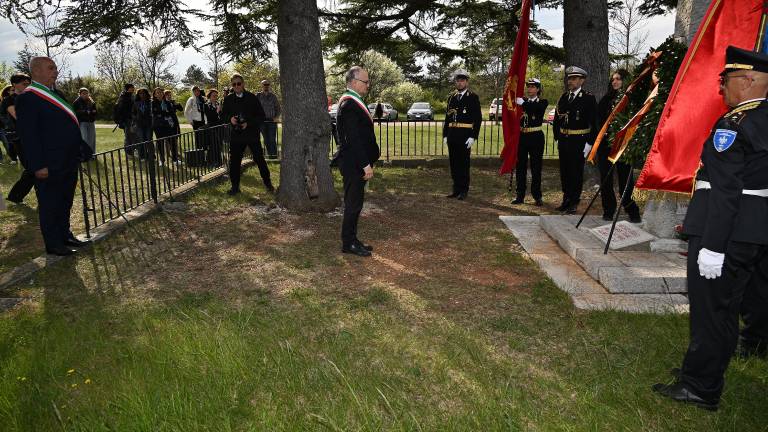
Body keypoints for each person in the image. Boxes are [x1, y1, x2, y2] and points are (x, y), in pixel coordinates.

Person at [652, 46, 768, 411]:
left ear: (747, 81)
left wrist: (714, 246)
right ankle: (706, 368)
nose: (721, 89)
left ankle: (700, 387)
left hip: (726, 232)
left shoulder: (735, 124)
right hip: (753, 230)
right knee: (730, 305)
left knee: (712, 311)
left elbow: (725, 190)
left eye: (726, 80)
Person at [15, 57, 91, 256]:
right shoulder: (27, 98)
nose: (56, 71)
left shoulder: (56, 94)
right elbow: (29, 136)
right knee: (50, 203)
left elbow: (68, 126)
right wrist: (38, 165)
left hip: (67, 160)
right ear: (36, 71)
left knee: (65, 200)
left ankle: (65, 235)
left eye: (56, 67)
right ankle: (53, 243)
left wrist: (81, 147)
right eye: (51, 68)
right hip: (49, 163)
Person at [335, 66, 380, 257]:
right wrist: (365, 164)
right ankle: (348, 243)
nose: (368, 85)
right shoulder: (349, 105)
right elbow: (353, 139)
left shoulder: (354, 103)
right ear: (353, 82)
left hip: (355, 162)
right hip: (355, 164)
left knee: (356, 203)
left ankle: (352, 239)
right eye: (365, 81)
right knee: (353, 204)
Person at [596, 70, 641, 222]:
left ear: (625, 81)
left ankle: (631, 209)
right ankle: (608, 210)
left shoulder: (632, 100)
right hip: (606, 147)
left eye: (618, 79)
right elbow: (598, 123)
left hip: (623, 147)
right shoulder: (605, 100)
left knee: (625, 181)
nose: (614, 82)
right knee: (605, 181)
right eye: (613, 79)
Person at [553, 66, 598, 214]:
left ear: (581, 80)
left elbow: (595, 123)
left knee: (576, 173)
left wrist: (589, 143)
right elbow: (557, 120)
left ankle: (574, 201)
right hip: (564, 140)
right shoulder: (564, 97)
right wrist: (557, 137)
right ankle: (566, 199)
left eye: (573, 79)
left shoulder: (588, 99)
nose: (570, 81)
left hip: (579, 141)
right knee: (564, 172)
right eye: (569, 78)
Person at [220, 73, 274, 195]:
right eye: (234, 84)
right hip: (236, 136)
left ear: (243, 84)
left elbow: (261, 116)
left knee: (259, 159)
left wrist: (248, 123)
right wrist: (230, 119)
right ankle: (235, 187)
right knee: (234, 162)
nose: (237, 86)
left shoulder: (252, 98)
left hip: (252, 135)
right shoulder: (228, 99)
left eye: (239, 83)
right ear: (232, 86)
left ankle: (268, 184)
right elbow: (223, 116)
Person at [442, 69, 482, 200]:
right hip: (452, 135)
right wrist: (445, 135)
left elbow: (478, 119)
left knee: (463, 164)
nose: (459, 83)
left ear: (467, 82)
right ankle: (456, 189)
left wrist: (473, 136)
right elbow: (447, 118)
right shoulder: (451, 98)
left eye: (462, 81)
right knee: (454, 164)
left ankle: (464, 190)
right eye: (457, 81)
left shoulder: (473, 97)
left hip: (465, 136)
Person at [511, 78, 548, 206]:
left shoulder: (542, 102)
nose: (530, 89)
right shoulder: (522, 102)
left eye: (533, 87)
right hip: (522, 137)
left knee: (536, 167)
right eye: (528, 86)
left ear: (538, 89)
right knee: (520, 167)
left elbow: (536, 109)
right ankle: (520, 195)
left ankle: (537, 196)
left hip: (536, 137)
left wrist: (523, 103)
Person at [2, 73, 34, 204]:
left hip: (33, 136)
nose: (27, 85)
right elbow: (19, 117)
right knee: (32, 168)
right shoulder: (9, 100)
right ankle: (15, 195)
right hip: (19, 137)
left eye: (28, 83)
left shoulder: (30, 98)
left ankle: (15, 196)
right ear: (14, 84)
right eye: (24, 83)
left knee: (35, 167)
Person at [256, 79, 281, 158]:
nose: (266, 86)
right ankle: (270, 155)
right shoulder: (258, 96)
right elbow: (254, 107)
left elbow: (278, 108)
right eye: (264, 84)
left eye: (267, 84)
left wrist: (276, 117)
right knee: (266, 139)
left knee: (272, 139)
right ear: (262, 86)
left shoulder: (273, 96)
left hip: (271, 121)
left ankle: (274, 156)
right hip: (262, 121)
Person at [73, 87, 97, 154]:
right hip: (82, 123)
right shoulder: (76, 102)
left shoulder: (92, 102)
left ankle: (92, 154)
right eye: (83, 93)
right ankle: (85, 154)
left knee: (92, 139)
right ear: (80, 94)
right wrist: (85, 112)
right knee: (85, 139)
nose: (85, 95)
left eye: (87, 93)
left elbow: (95, 111)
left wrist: (93, 113)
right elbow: (75, 113)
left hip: (91, 122)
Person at [130, 88, 153, 159]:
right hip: (139, 125)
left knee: (149, 139)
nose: (142, 95)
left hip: (148, 124)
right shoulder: (136, 103)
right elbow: (132, 113)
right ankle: (142, 156)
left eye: (144, 93)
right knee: (141, 140)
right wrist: (136, 118)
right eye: (140, 93)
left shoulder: (150, 102)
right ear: (138, 95)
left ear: (146, 94)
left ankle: (151, 155)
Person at [184, 85, 207, 150]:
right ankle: (199, 152)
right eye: (195, 91)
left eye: (198, 91)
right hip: (196, 121)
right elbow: (186, 111)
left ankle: (205, 151)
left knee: (205, 137)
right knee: (198, 138)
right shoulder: (191, 100)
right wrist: (190, 121)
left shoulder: (203, 98)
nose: (197, 92)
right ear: (193, 92)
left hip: (204, 121)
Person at [204, 89, 224, 166]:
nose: (215, 97)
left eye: (216, 96)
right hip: (212, 127)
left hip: (219, 127)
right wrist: (217, 111)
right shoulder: (206, 105)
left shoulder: (218, 104)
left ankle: (219, 161)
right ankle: (211, 161)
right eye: (214, 96)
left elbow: (222, 116)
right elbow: (210, 117)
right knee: (213, 145)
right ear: (209, 96)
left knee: (219, 145)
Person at [115, 83, 135, 155]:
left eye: (133, 87)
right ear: (127, 89)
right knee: (128, 135)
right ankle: (128, 151)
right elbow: (122, 109)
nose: (133, 89)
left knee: (133, 135)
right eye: (131, 87)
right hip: (127, 119)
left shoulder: (131, 96)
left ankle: (132, 150)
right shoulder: (124, 97)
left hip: (132, 119)